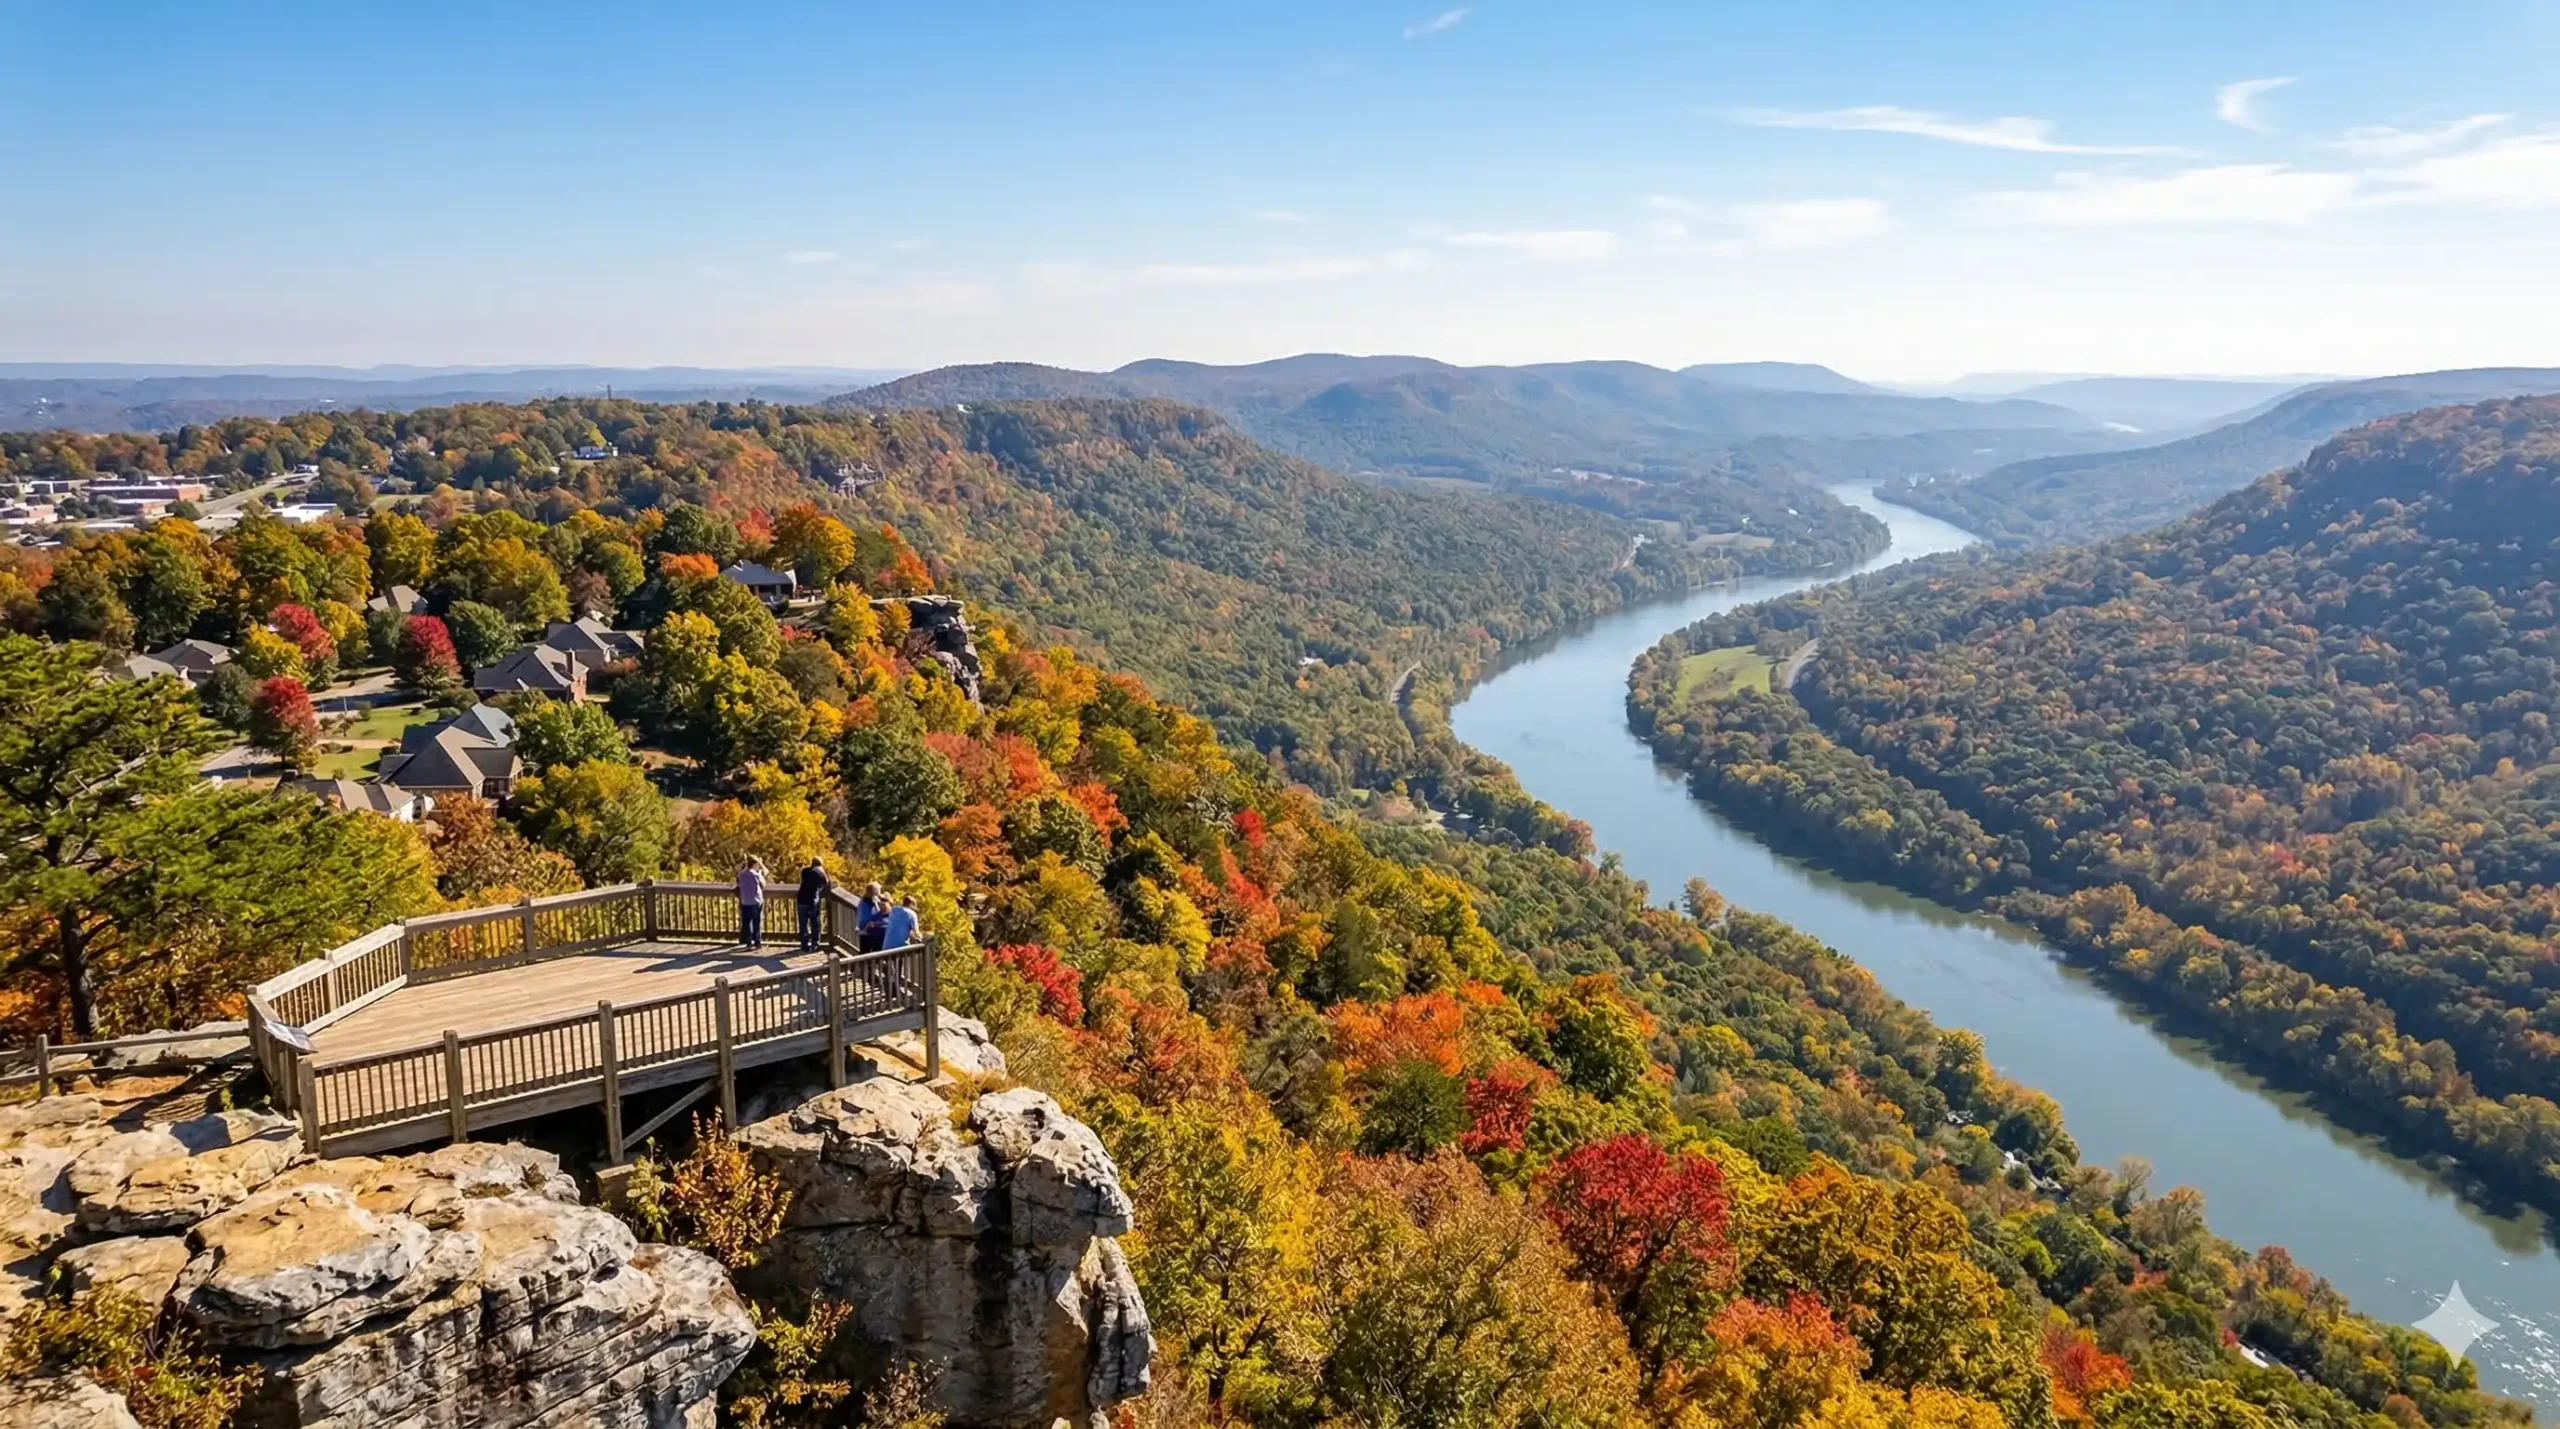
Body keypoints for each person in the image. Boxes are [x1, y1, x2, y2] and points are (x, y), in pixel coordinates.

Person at [796, 856, 832, 952]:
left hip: (801, 900)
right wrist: (822, 871)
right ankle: (814, 944)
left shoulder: (804, 871)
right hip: (812, 901)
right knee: (815, 924)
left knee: (803, 924)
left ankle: (804, 945)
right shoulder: (819, 874)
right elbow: (826, 882)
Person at [736, 857, 767, 948]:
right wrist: (760, 874)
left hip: (745, 901)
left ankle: (748, 942)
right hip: (756, 901)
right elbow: (763, 885)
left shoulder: (741, 874)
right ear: (754, 864)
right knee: (756, 922)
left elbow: (738, 883)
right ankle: (757, 942)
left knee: (747, 923)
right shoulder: (756, 874)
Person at [855, 881, 889, 954]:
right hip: (866, 933)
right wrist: (879, 915)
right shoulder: (866, 903)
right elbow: (863, 921)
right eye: (879, 890)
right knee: (866, 955)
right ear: (875, 891)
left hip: (872, 932)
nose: (880, 892)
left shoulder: (873, 900)